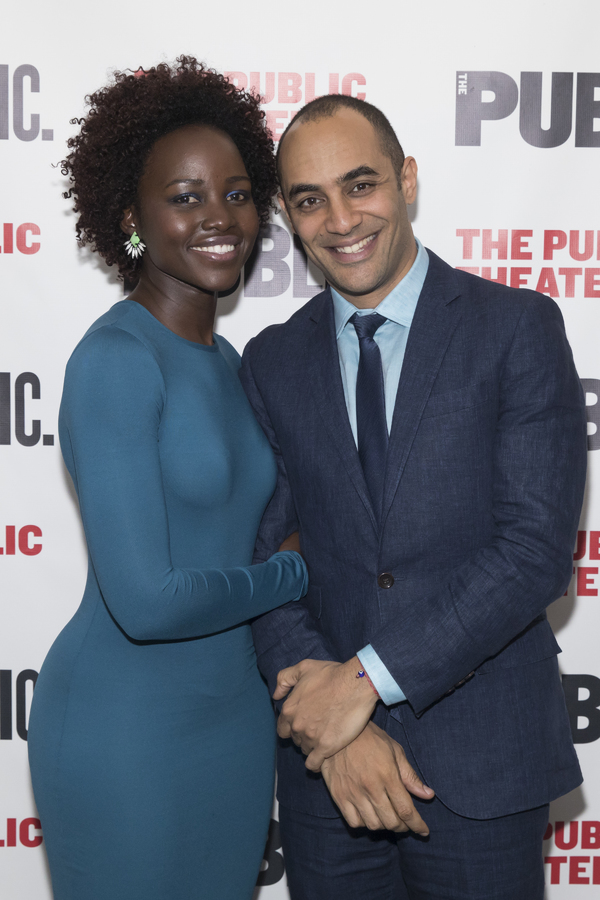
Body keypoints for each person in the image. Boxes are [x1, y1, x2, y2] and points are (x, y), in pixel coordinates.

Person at [239, 94, 587, 900]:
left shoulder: (517, 328)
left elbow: (533, 554)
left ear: (407, 181)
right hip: (328, 775)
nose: (340, 219)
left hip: (482, 766)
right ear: (290, 216)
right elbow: (267, 560)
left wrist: (361, 684)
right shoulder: (271, 360)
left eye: (360, 185)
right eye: (309, 199)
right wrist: (337, 730)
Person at [27, 57, 308, 900]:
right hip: (126, 731)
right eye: (183, 198)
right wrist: (294, 570)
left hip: (233, 724)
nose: (217, 217)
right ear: (132, 221)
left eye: (234, 193)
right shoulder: (116, 360)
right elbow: (147, 601)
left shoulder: (232, 363)